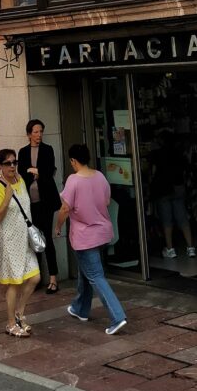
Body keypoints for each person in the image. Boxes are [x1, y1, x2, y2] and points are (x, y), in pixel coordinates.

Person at [56, 143, 127, 335]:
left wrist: (58, 226)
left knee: (95, 275)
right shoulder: (101, 177)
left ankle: (117, 316)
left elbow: (65, 208)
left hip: (84, 236)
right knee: (86, 271)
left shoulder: (74, 180)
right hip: (102, 233)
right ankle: (80, 308)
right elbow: (105, 201)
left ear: (73, 161)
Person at [0, 148, 40, 337]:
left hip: (24, 240)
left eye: (14, 162)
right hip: (10, 241)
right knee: (14, 283)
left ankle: (20, 312)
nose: (12, 166)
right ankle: (11, 323)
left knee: (34, 277)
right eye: (7, 163)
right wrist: (6, 198)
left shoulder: (20, 181)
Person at [18, 118, 61, 293]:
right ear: (29, 134)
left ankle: (53, 278)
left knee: (47, 239)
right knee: (34, 239)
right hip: (30, 202)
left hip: (46, 202)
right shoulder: (23, 152)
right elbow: (22, 173)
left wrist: (36, 172)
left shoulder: (47, 150)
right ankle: (37, 277)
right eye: (35, 132)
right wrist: (34, 172)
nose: (39, 135)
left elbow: (49, 172)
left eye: (41, 131)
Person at [149, 129, 195, 260]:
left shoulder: (156, 154)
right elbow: (186, 169)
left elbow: (153, 172)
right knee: (183, 218)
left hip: (163, 189)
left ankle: (170, 249)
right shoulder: (179, 153)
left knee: (166, 221)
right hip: (178, 187)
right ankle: (191, 247)